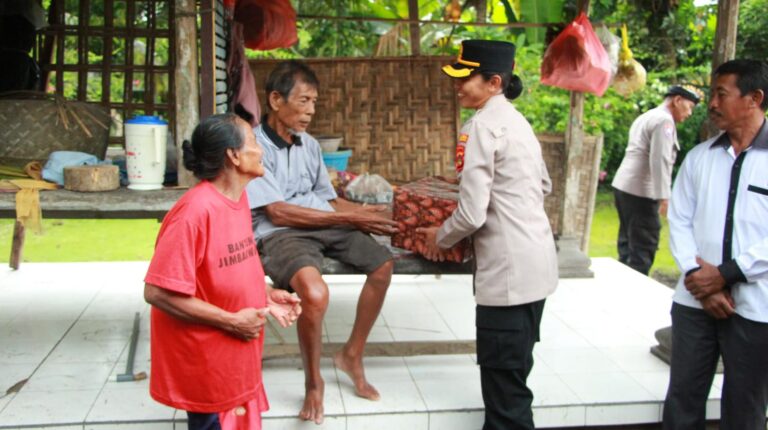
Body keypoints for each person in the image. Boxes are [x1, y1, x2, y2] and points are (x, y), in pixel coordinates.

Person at [245, 60, 399, 425]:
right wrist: (350, 217)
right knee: (315, 295)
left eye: (315, 102)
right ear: (276, 100)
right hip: (279, 233)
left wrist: (371, 212)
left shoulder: (310, 145)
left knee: (383, 265)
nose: (311, 111)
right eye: (304, 101)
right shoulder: (252, 146)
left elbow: (328, 200)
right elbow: (279, 213)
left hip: (324, 222)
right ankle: (314, 383)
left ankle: (351, 354)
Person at [418, 40, 558, 430]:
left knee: (505, 401)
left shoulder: (480, 126)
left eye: (467, 78)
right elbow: (542, 185)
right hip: (537, 268)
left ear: (494, 82)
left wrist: (439, 236)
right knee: (514, 378)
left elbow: (472, 213)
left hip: (508, 278)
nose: (458, 86)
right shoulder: (517, 121)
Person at [144, 113, 302, 430]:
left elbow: (233, 264)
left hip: (234, 360)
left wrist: (266, 294)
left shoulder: (238, 198)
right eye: (255, 142)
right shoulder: (195, 212)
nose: (262, 150)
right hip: (206, 364)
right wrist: (231, 321)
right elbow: (157, 291)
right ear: (233, 155)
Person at [662, 59, 768, 430]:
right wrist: (699, 279)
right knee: (682, 400)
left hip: (755, 309)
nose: (712, 103)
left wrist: (725, 275)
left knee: (745, 407)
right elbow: (679, 221)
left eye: (721, 94)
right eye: (712, 94)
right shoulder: (699, 158)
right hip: (694, 303)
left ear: (754, 98)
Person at [611, 85, 700, 275]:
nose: (690, 113)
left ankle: (621, 287)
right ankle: (634, 292)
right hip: (642, 191)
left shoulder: (648, 115)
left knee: (628, 243)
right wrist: (664, 197)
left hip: (625, 186)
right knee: (644, 246)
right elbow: (660, 160)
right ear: (677, 100)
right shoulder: (664, 122)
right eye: (689, 106)